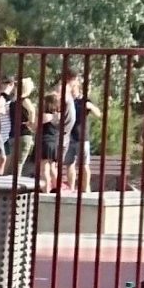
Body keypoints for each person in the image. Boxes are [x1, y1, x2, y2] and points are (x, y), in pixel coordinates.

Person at [56, 61, 99, 193]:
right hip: (69, 136)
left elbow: (98, 114)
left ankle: (86, 189)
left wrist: (90, 107)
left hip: (82, 137)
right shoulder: (67, 101)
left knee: (84, 165)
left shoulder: (84, 100)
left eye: (74, 87)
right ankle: (71, 188)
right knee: (69, 164)